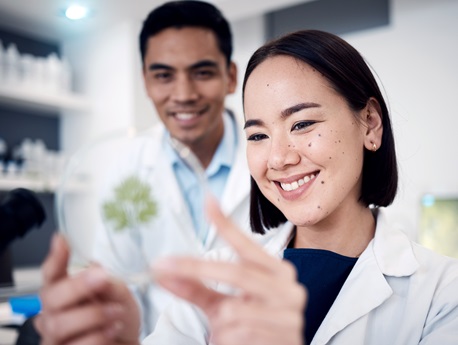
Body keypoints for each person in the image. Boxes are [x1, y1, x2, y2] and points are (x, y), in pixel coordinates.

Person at [34, 30, 458, 345]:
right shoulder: (215, 281)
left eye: (302, 123)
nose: (278, 158)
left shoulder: (442, 294)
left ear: (369, 123)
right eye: (257, 135)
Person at [87, 0, 252, 335]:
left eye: (202, 73)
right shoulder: (129, 170)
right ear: (146, 82)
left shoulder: (272, 160)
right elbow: (116, 279)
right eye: (164, 75)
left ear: (231, 77)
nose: (183, 94)